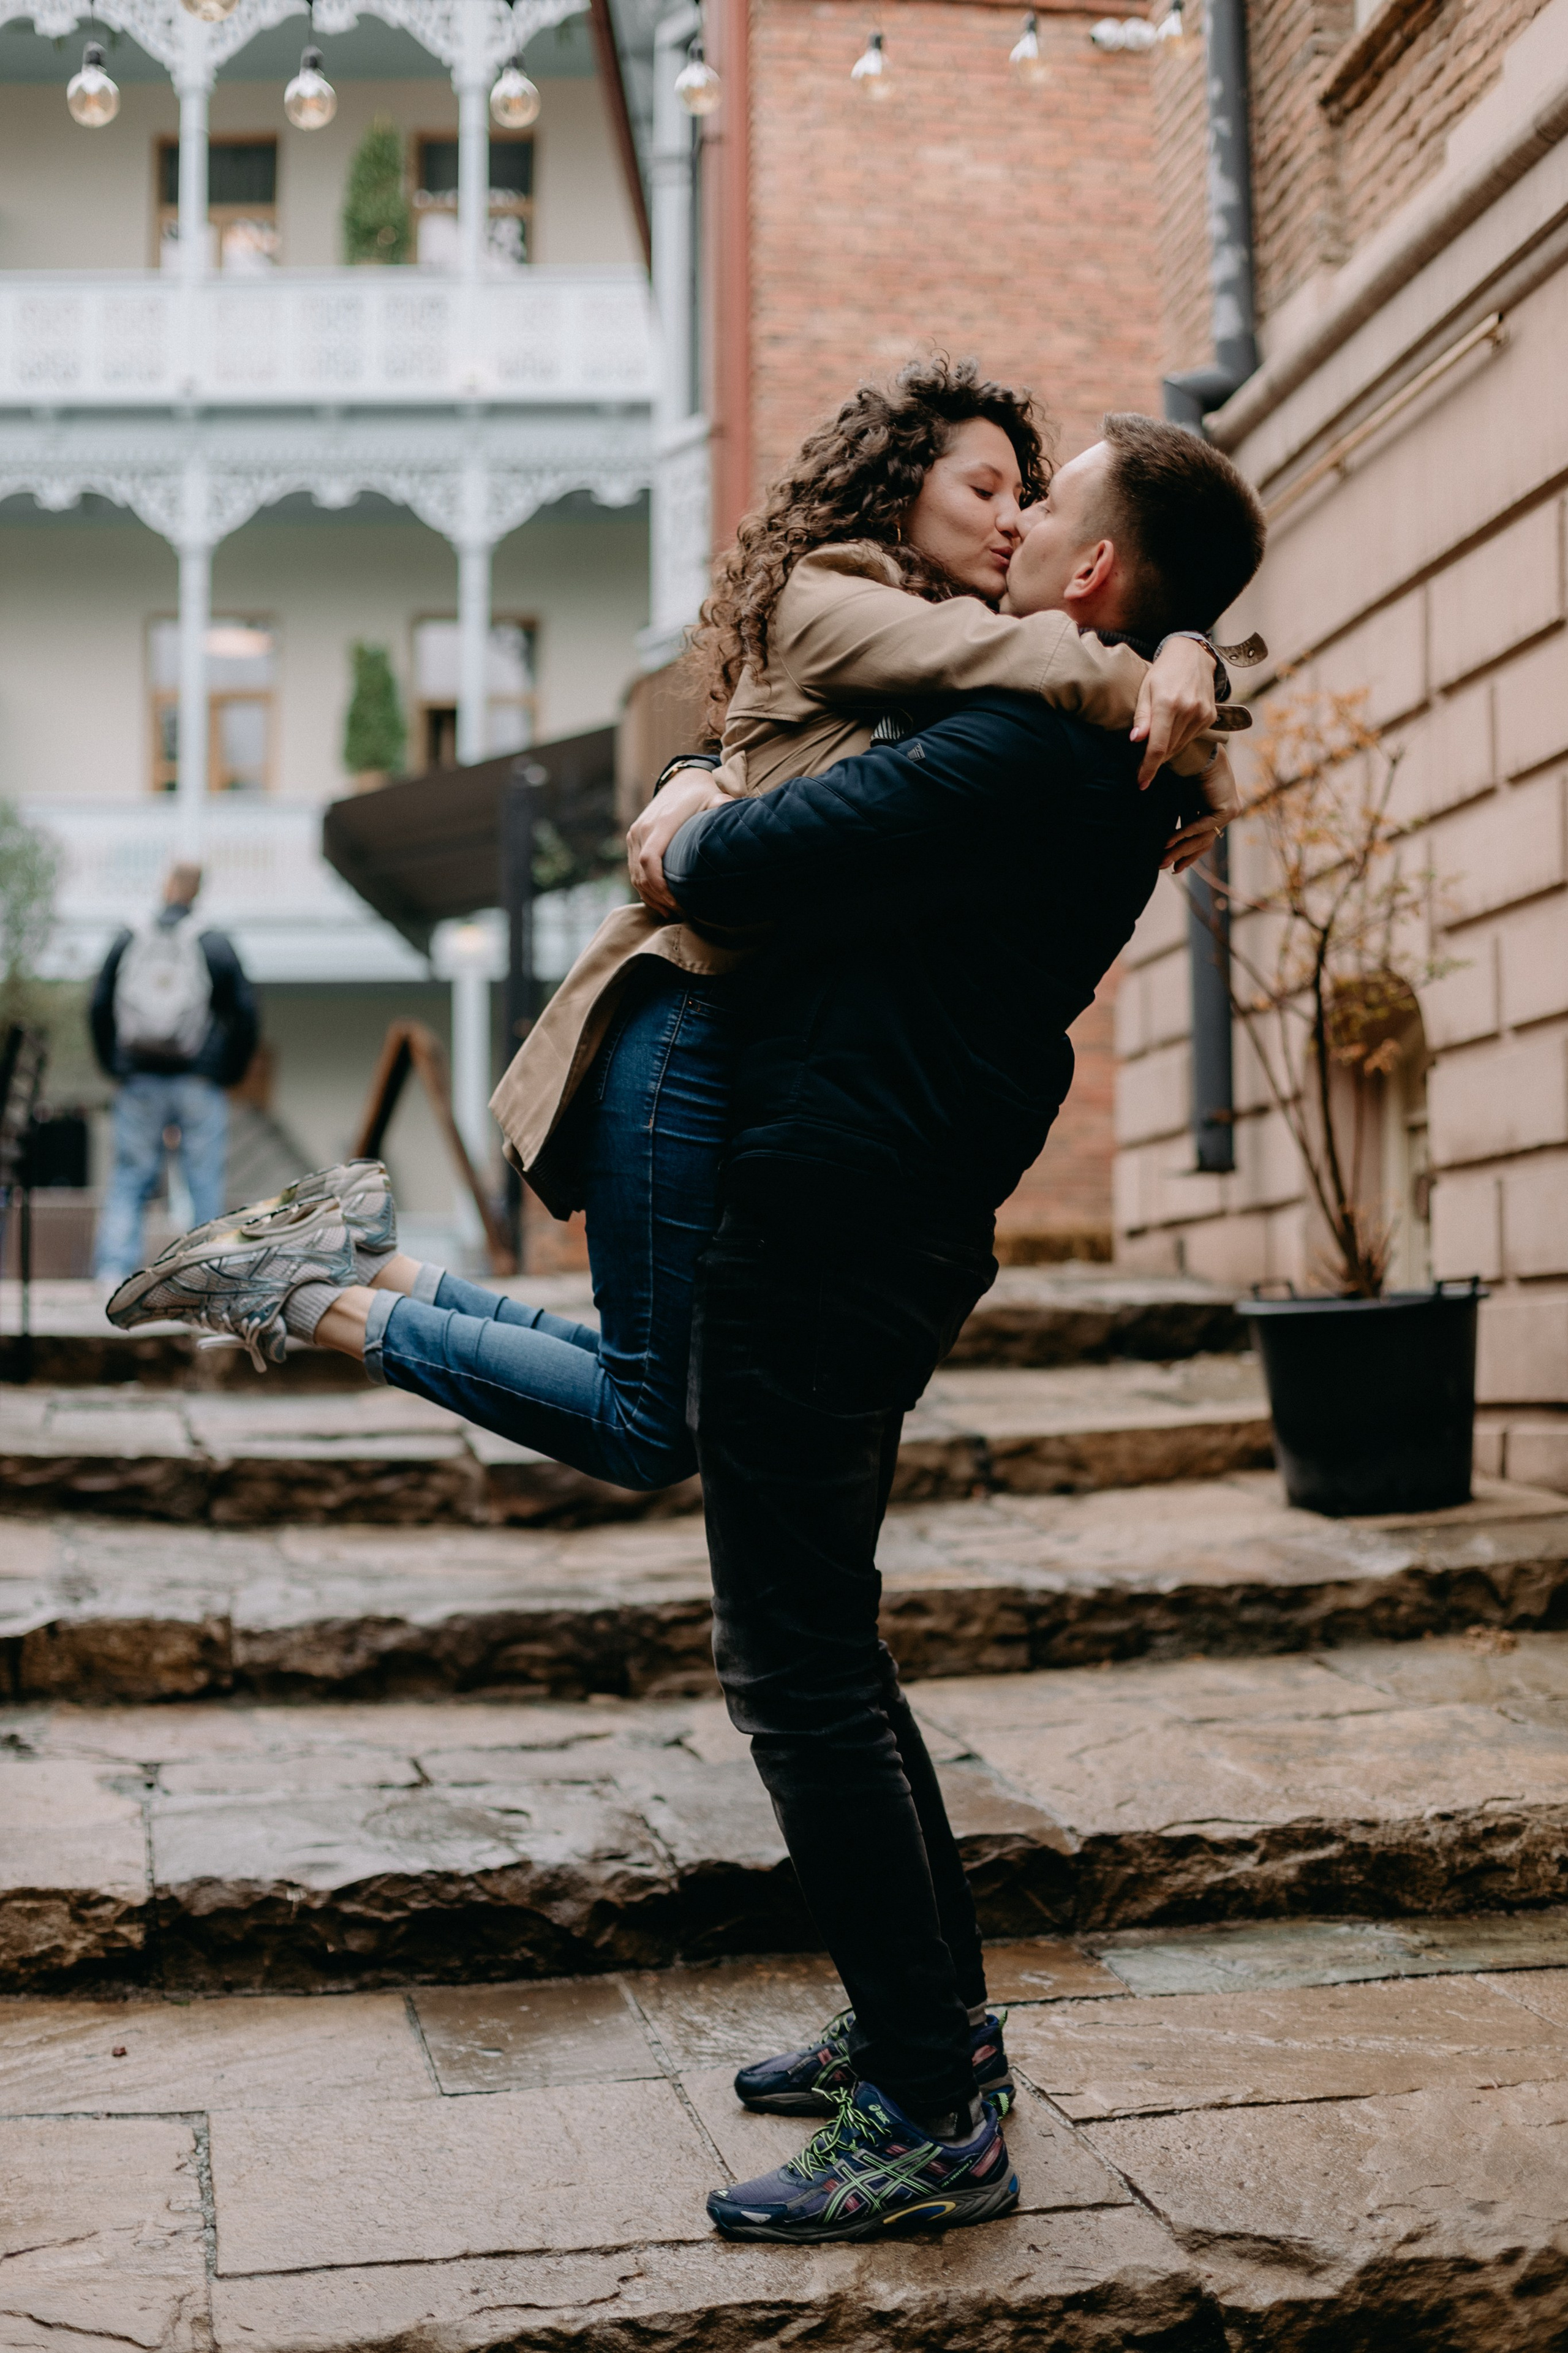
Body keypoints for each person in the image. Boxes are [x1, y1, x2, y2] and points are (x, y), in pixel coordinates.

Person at [104, 364, 1236, 1403]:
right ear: (899, 489)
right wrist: (1188, 700)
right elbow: (1035, 659)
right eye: (983, 488)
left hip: (744, 1014)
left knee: (655, 1379)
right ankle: (311, 1301)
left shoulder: (939, 638)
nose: (1010, 518)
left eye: (1025, 496)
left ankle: (354, 1261)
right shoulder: (832, 592)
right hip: (687, 1003)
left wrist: (1199, 653)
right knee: (655, 1409)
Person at [658, 411, 1267, 2245]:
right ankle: (916, 2023)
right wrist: (1190, 653)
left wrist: (689, 818)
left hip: (839, 1208)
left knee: (797, 1666)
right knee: (830, 1643)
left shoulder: (1017, 740)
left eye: (1045, 504)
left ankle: (930, 2103)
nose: (1007, 529)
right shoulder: (1108, 739)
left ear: (1087, 574)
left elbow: (739, 862)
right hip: (894, 1204)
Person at [90, 861, 257, 1284]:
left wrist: (114, 1064)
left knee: (130, 1177)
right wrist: (229, 1071)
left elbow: (98, 1004)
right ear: (198, 892)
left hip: (139, 1079)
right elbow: (246, 1012)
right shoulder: (213, 942)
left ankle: (112, 1273)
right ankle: (209, 1275)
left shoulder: (130, 936)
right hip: (200, 1079)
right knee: (204, 1180)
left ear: (165, 887)